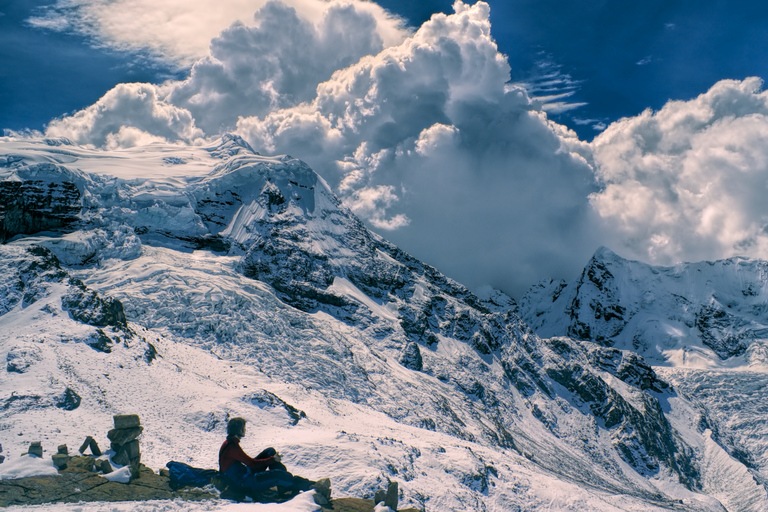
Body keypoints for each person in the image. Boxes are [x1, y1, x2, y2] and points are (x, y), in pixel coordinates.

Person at [218, 417, 331, 505]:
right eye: (244, 428)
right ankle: (312, 486)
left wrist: (271, 459)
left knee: (270, 451)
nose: (245, 430)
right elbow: (251, 463)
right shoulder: (232, 447)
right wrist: (272, 460)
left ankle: (284, 487)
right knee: (279, 475)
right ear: (239, 430)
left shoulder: (230, 443)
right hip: (244, 483)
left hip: (242, 475)